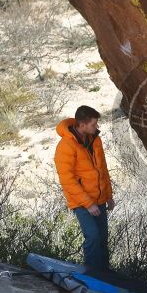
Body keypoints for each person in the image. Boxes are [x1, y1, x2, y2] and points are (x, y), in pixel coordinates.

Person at [54, 105, 114, 271]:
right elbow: (67, 180)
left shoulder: (95, 139)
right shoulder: (66, 146)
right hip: (81, 202)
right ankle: (92, 274)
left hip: (100, 198)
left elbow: (103, 169)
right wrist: (88, 203)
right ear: (82, 125)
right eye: (94, 124)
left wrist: (108, 195)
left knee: (102, 238)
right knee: (93, 236)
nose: (97, 127)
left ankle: (105, 274)